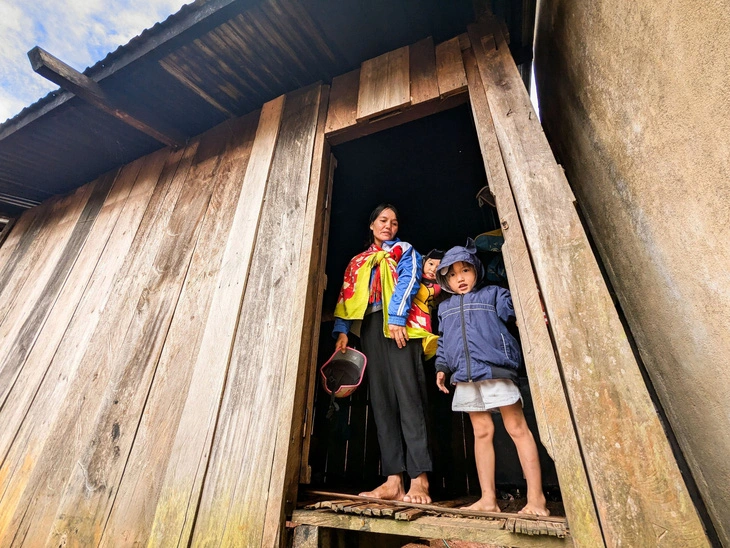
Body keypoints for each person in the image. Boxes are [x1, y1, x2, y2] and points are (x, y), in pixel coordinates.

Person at [434, 239, 549, 516]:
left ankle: (537, 500)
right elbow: (443, 341)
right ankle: (488, 499)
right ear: (444, 280)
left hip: (496, 370)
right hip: (464, 376)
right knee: (482, 432)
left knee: (517, 429)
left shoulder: (494, 294)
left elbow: (518, 310)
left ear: (476, 270)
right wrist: (442, 367)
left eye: (465, 271)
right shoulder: (444, 308)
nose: (459, 278)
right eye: (451, 274)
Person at [333, 204, 433, 504]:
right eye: (382, 220)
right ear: (372, 225)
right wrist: (342, 330)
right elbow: (347, 293)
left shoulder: (403, 250)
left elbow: (410, 279)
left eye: (393, 222)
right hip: (372, 327)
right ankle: (393, 480)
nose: (388, 226)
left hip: (399, 324)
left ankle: (420, 480)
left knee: (409, 397)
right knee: (382, 400)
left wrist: (397, 318)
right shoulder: (358, 261)